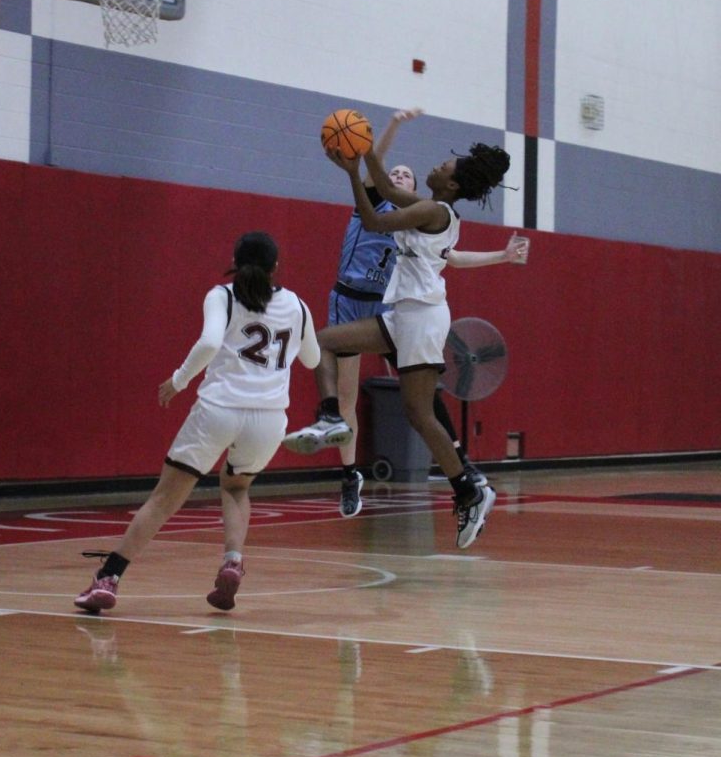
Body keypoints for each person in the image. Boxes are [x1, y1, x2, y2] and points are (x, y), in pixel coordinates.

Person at [289, 109, 528, 518]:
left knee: (418, 412)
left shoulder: (431, 211)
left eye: (443, 165)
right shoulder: (430, 206)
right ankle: (332, 418)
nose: (434, 165)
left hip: (419, 317)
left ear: (451, 183)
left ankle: (467, 488)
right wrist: (363, 153)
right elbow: (381, 185)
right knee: (326, 343)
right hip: (408, 314)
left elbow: (372, 219)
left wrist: (351, 174)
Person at [74, 231, 321, 614]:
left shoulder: (222, 295)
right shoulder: (298, 306)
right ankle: (233, 561)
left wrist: (177, 381)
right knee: (237, 488)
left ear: (236, 262)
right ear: (276, 267)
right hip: (269, 418)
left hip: (220, 409)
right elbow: (312, 361)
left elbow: (208, 343)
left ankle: (109, 577)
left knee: (164, 499)